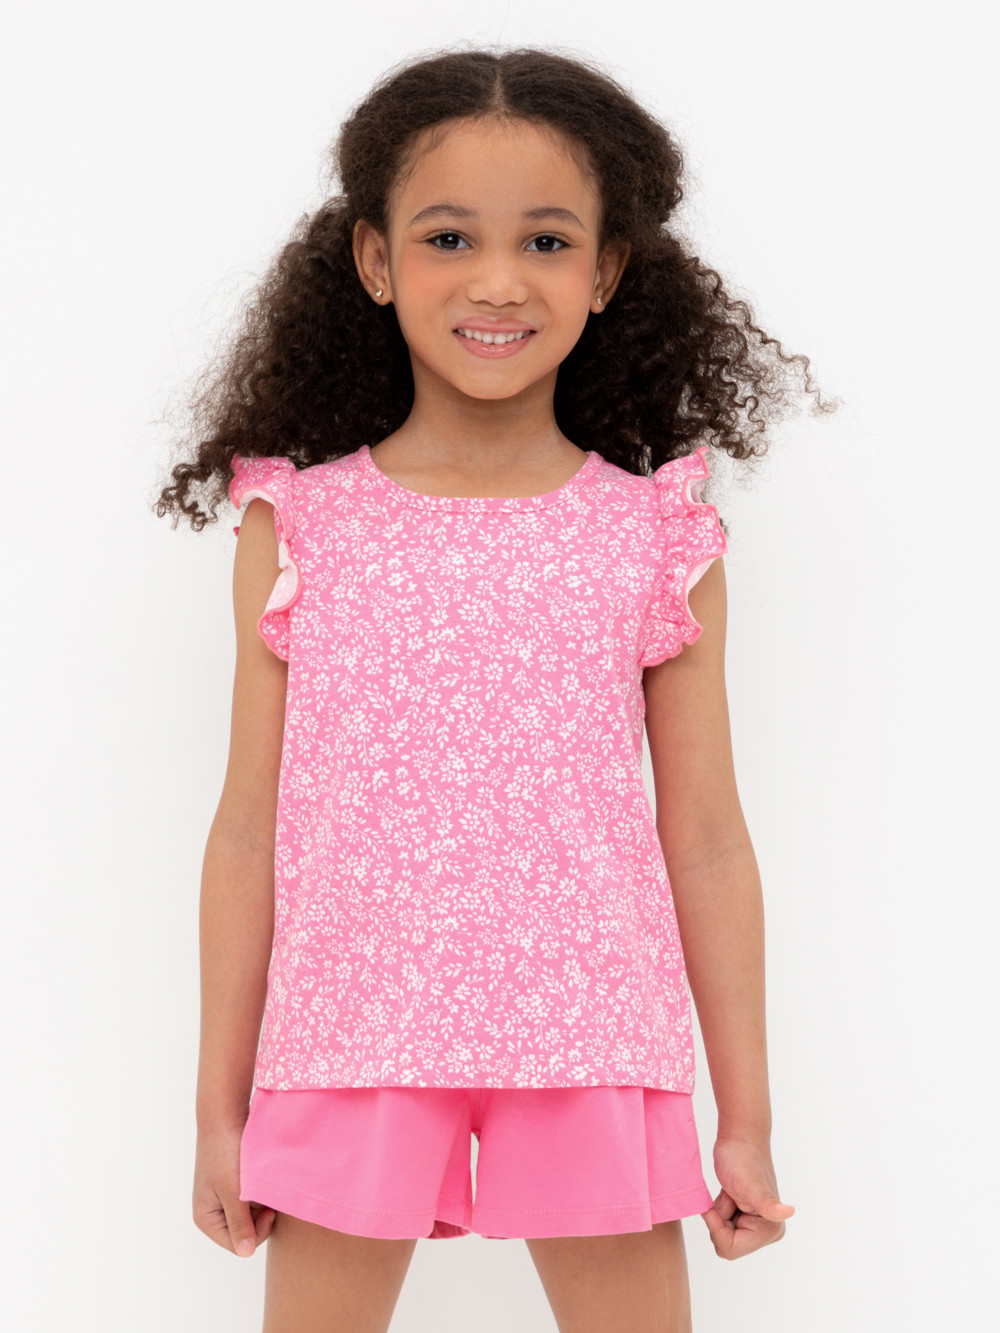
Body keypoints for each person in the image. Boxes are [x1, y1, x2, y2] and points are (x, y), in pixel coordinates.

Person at [157, 45, 831, 1333]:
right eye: (449, 236)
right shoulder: (299, 526)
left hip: (593, 1035)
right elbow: (249, 828)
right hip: (351, 1036)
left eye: (547, 240)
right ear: (375, 259)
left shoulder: (655, 537)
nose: (499, 280)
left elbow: (705, 839)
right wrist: (217, 1110)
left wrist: (743, 1121)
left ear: (607, 271)